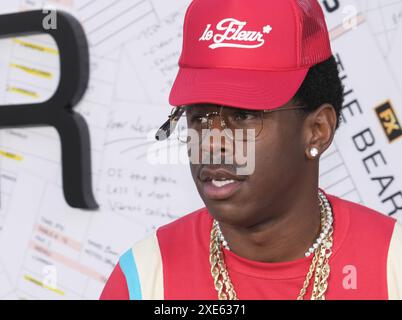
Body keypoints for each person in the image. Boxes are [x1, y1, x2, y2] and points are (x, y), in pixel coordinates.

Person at [100, 0, 402, 300]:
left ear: (317, 131)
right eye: (199, 117)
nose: (211, 142)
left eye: (244, 116)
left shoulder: (393, 265)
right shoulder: (145, 277)